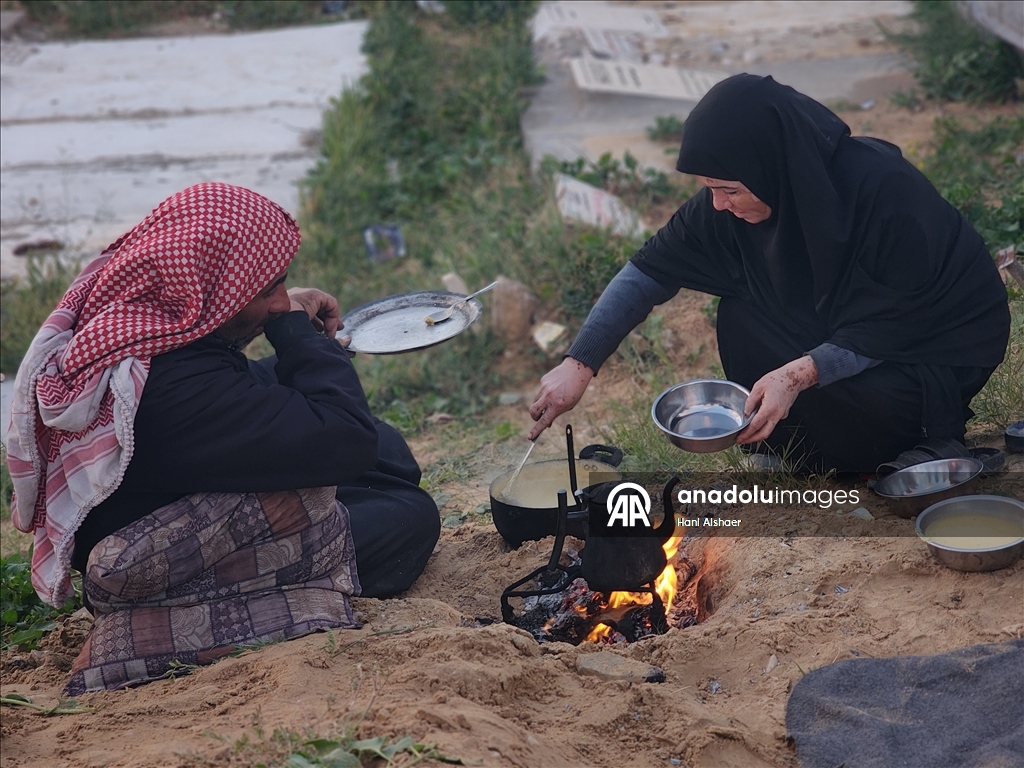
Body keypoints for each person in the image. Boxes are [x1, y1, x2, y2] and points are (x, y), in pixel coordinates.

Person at [6, 183, 440, 693]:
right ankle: (175, 610)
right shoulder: (170, 390)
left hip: (177, 468)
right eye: (265, 292)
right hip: (164, 541)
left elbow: (247, 387)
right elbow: (347, 438)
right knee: (408, 515)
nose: (281, 300)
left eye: (281, 284)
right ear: (214, 292)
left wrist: (281, 314)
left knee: (388, 451)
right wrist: (294, 330)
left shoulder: (152, 317)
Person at [529, 75, 1010, 472]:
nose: (718, 204)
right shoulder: (726, 205)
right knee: (740, 315)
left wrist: (798, 375)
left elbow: (895, 324)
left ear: (772, 167)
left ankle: (927, 441)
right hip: (847, 333)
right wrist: (579, 364)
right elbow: (649, 271)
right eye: (709, 189)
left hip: (927, 356)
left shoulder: (883, 194)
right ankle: (796, 446)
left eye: (729, 190)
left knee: (869, 424)